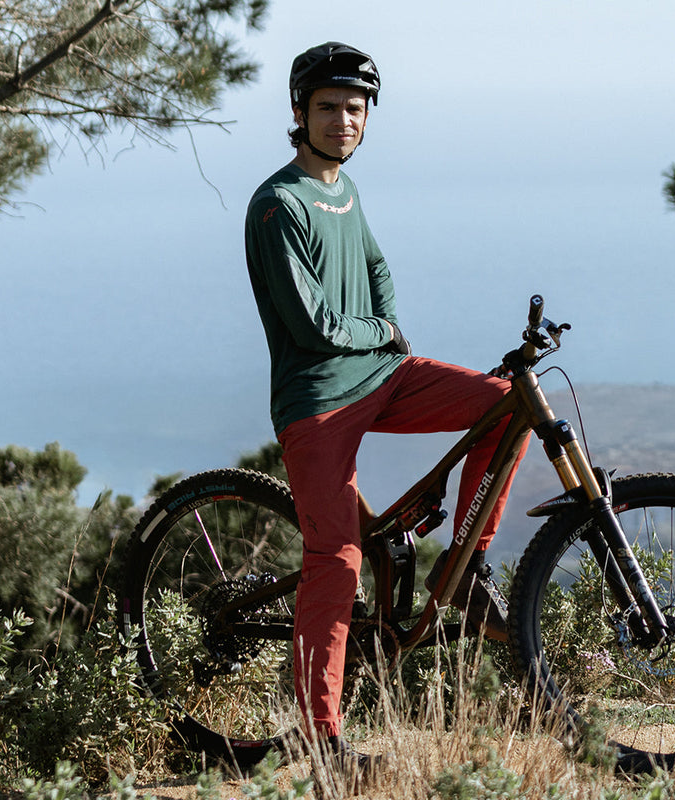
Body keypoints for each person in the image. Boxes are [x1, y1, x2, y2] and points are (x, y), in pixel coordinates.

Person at [243, 42, 526, 785]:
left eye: (355, 108)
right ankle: (319, 739)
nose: (343, 120)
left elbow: (373, 268)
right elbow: (312, 327)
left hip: (383, 374)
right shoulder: (280, 204)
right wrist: (381, 332)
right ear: (300, 113)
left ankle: (465, 570)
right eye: (329, 107)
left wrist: (389, 325)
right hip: (317, 402)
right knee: (335, 563)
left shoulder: (344, 191)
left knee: (503, 407)